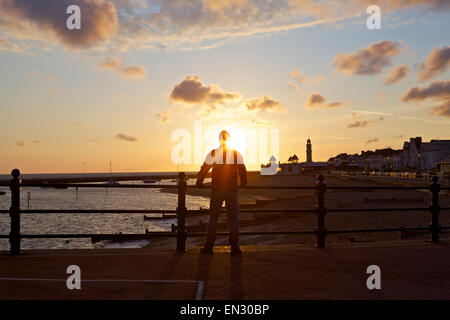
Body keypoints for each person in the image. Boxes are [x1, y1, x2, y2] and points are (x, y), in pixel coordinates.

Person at [196, 130, 247, 255]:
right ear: (229, 139)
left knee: (213, 218)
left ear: (219, 140)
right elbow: (242, 170)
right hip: (232, 190)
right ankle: (235, 247)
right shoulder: (235, 154)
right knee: (233, 219)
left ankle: (209, 247)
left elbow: (204, 168)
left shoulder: (214, 153)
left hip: (217, 190)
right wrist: (243, 183)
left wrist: (199, 182)